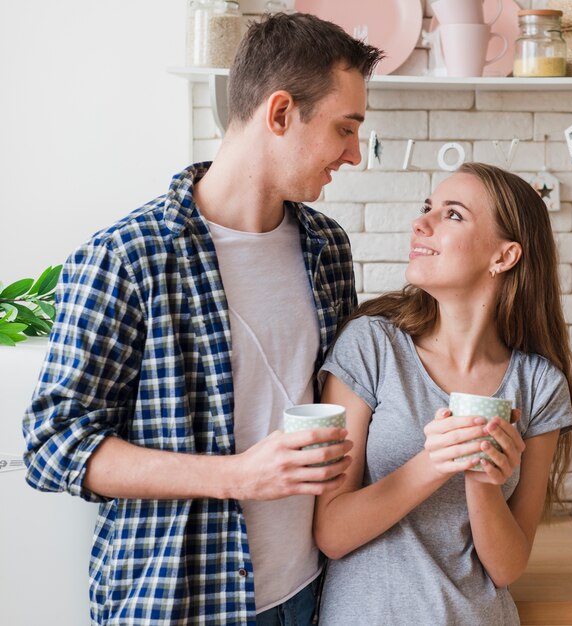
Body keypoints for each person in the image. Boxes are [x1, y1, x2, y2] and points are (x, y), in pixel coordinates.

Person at [22, 13, 383, 626]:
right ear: (279, 114)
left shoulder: (328, 248)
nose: (353, 154)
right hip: (178, 602)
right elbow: (52, 446)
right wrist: (238, 476)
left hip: (309, 593)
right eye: (344, 129)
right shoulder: (126, 258)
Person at [313, 162, 572, 626]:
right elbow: (331, 532)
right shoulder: (372, 346)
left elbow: (508, 566)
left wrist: (483, 481)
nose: (421, 223)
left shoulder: (539, 386)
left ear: (504, 256)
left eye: (452, 215)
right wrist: (435, 463)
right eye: (427, 208)